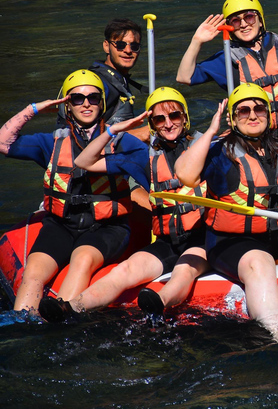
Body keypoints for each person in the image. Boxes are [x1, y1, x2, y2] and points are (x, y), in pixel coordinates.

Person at [174, 83, 278, 342]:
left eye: (259, 109)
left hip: (276, 232)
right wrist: (210, 131)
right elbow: (185, 175)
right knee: (260, 262)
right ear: (232, 118)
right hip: (230, 242)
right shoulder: (221, 153)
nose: (253, 115)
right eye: (243, 111)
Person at [37, 87, 210, 322]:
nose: (168, 124)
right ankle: (71, 307)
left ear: (185, 118)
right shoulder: (142, 157)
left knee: (184, 270)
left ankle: (160, 302)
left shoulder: (209, 150)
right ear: (152, 124)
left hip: (203, 240)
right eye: (159, 118)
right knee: (124, 271)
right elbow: (83, 160)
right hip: (167, 242)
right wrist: (112, 130)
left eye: (175, 116)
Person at [0, 70, 145, 314]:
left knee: (83, 259)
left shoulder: (122, 141)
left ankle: (61, 318)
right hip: (61, 224)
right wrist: (34, 109)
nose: (86, 103)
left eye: (93, 98)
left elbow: (151, 172)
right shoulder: (51, 142)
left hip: (109, 227)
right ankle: (24, 324)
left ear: (102, 103)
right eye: (77, 98)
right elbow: (3, 143)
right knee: (34, 269)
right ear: (67, 105)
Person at [175, 0, 278, 186]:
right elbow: (184, 77)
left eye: (249, 17)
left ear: (260, 19)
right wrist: (197, 41)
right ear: (230, 27)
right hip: (257, 134)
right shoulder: (227, 58)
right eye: (235, 21)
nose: (244, 24)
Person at [57, 18, 148, 130]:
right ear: (106, 46)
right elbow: (84, 135)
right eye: (120, 45)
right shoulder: (98, 84)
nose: (128, 50)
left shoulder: (116, 79)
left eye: (134, 46)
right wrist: (141, 134)